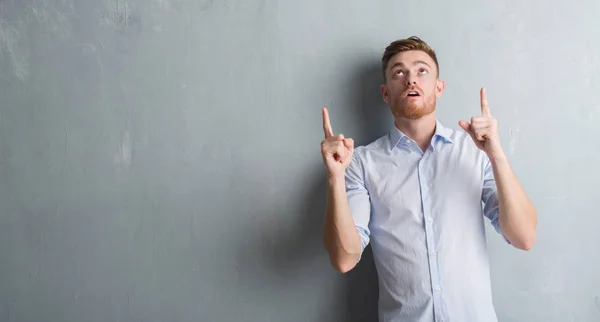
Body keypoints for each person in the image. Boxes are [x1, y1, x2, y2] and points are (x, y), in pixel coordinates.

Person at [320, 36, 538, 322]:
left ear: (439, 87)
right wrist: (335, 180)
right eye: (399, 72)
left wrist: (496, 154)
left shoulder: (475, 151)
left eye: (422, 70)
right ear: (386, 93)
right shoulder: (361, 163)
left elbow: (524, 237)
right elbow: (344, 259)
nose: (411, 79)